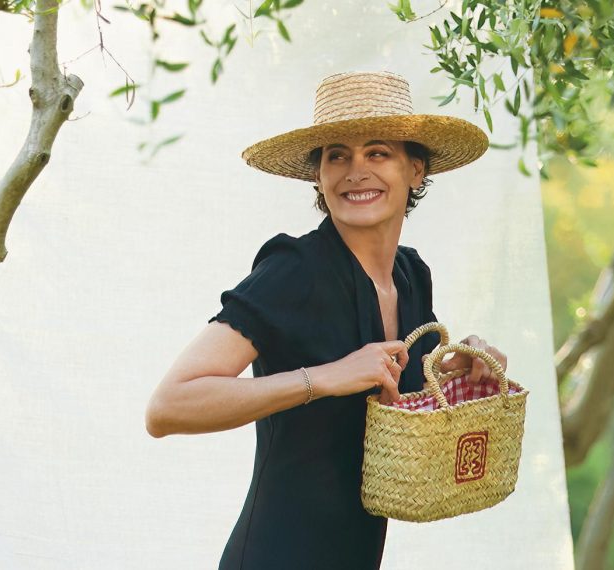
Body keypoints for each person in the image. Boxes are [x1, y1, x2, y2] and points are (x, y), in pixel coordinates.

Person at [145, 71, 509, 569]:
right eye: (337, 155)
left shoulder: (411, 277)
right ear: (319, 175)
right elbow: (169, 405)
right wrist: (324, 378)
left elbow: (407, 401)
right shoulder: (295, 270)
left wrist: (464, 362)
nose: (354, 171)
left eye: (377, 152)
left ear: (416, 170)